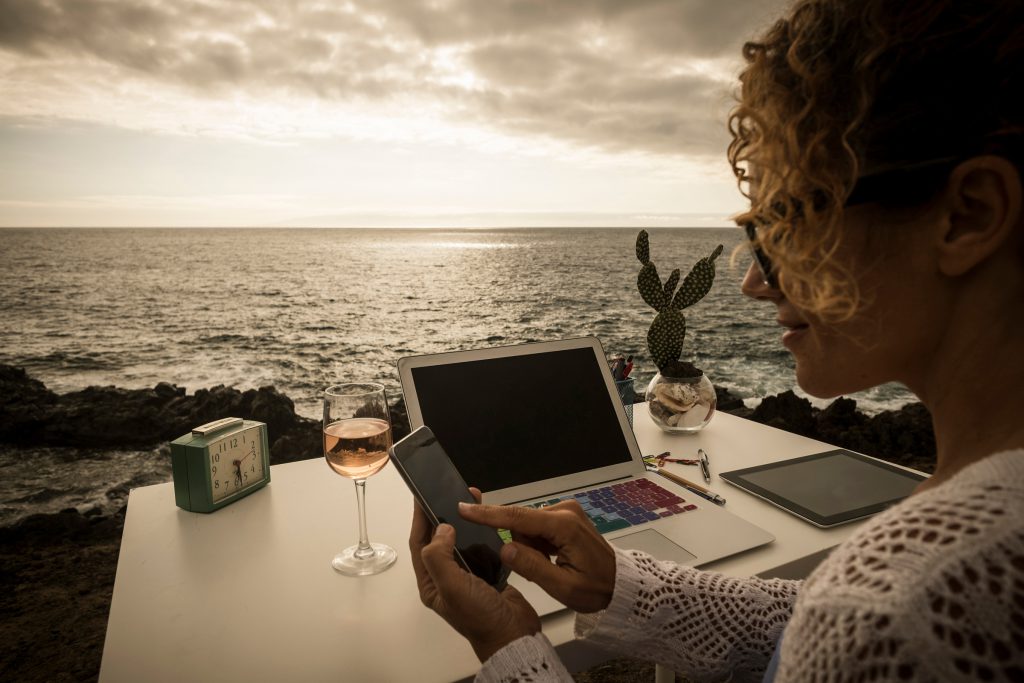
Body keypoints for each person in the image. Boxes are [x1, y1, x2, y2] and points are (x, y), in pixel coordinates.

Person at [410, 0, 1024, 680]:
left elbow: (848, 624)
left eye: (786, 222)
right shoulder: (941, 570)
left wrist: (509, 644)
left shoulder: (900, 607)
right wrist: (622, 584)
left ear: (968, 216)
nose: (754, 281)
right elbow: (809, 615)